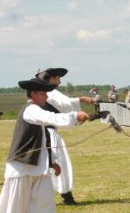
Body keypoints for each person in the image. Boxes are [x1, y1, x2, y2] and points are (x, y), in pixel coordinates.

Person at [0, 77, 89, 213]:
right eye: (43, 93)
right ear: (33, 93)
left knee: (46, 201)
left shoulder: (37, 110)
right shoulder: (31, 109)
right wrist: (74, 115)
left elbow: (44, 140)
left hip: (39, 167)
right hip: (21, 165)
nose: (46, 97)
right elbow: (52, 118)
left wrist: (51, 162)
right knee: (16, 203)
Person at [35, 68, 95, 205]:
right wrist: (82, 101)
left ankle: (61, 195)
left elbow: (64, 104)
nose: (60, 81)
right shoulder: (48, 92)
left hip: (45, 132)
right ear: (51, 79)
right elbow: (64, 104)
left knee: (49, 164)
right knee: (57, 163)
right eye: (58, 78)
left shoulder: (45, 92)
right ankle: (65, 196)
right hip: (47, 133)